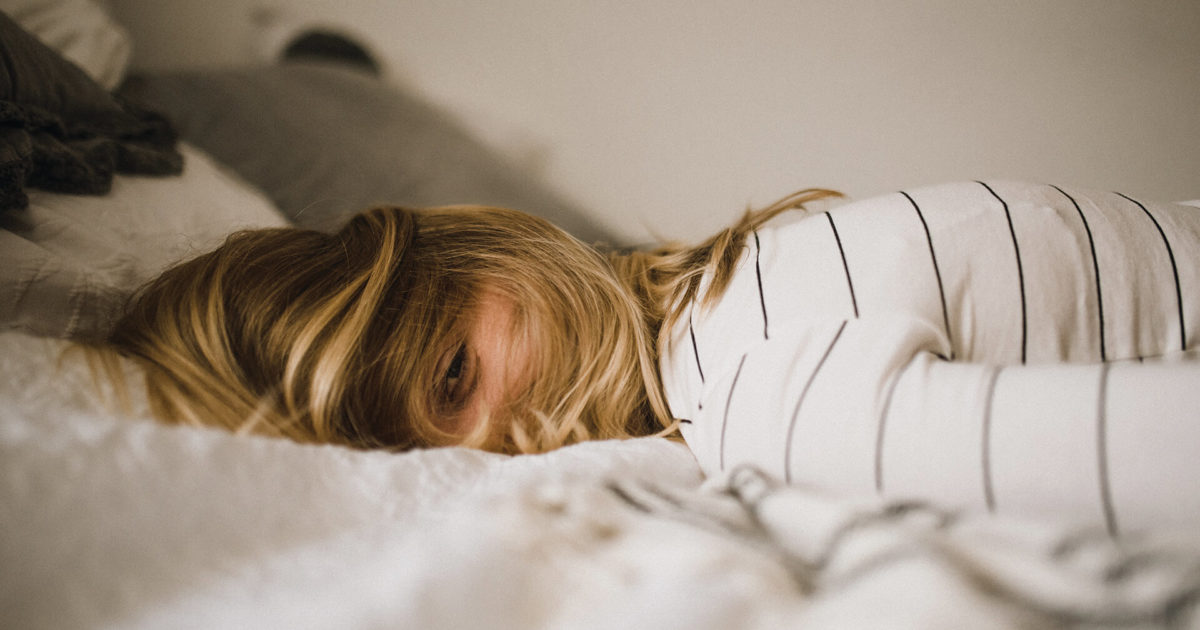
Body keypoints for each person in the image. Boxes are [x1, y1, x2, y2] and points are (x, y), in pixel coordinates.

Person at [99, 182, 1200, 529]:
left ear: (492, 249)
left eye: (451, 376)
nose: (494, 447)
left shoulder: (760, 388)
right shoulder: (735, 311)